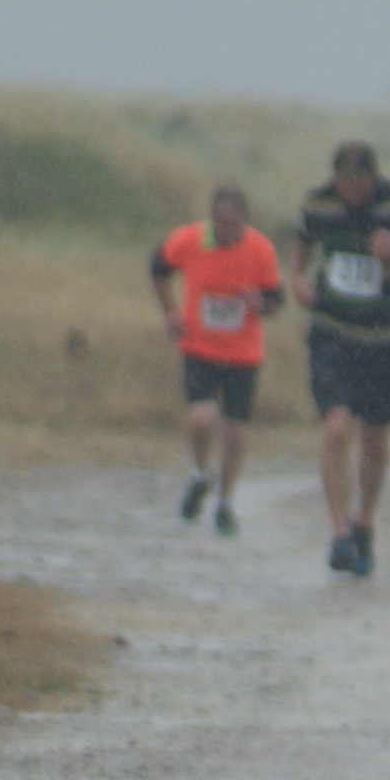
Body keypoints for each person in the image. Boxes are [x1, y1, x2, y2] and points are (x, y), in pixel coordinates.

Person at [290, 139, 390, 577]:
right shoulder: (318, 204)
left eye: (359, 185)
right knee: (337, 427)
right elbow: (302, 240)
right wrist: (297, 277)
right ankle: (339, 533)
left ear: (373, 178)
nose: (351, 193)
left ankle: (363, 523)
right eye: (344, 184)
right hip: (334, 332)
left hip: (387, 338)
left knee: (374, 437)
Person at [148, 183, 281, 534]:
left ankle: (225, 501)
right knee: (201, 417)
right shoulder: (189, 239)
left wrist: (260, 304)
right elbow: (158, 267)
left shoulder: (260, 249)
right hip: (199, 347)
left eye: (232, 224)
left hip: (243, 353)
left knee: (235, 431)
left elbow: (274, 299)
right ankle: (199, 473)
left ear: (244, 221)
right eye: (219, 222)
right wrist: (171, 312)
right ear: (211, 218)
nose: (224, 230)